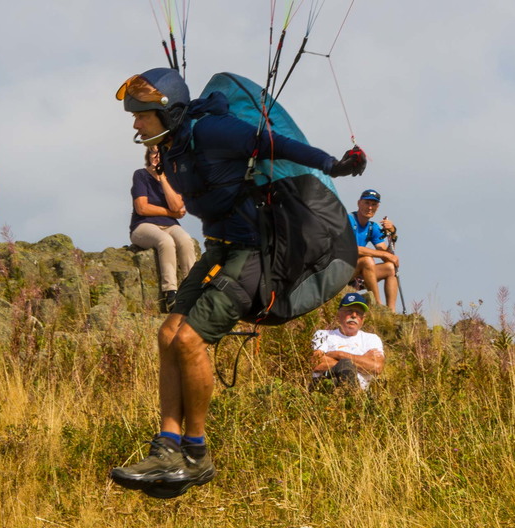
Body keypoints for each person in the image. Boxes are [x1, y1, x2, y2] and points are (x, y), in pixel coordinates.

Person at [109, 67, 366, 498]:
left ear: (166, 110)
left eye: (140, 115)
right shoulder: (172, 149)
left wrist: (331, 164)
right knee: (168, 334)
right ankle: (166, 447)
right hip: (218, 249)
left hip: (252, 253)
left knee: (189, 340)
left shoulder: (213, 131)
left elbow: (272, 143)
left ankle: (196, 454)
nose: (134, 123)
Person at [130, 146, 196, 313]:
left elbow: (177, 206)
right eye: (153, 152)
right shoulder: (141, 175)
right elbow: (142, 208)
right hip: (143, 225)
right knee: (165, 242)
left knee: (186, 241)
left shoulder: (176, 179)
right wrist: (172, 212)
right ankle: (170, 293)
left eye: (161, 153)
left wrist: (163, 178)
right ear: (149, 155)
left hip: (170, 225)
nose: (157, 156)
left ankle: (193, 290)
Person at [310, 292, 385, 390]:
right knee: (344, 365)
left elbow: (376, 367)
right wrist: (361, 361)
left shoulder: (371, 339)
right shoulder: (323, 335)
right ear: (339, 314)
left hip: (361, 394)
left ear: (363, 319)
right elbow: (316, 362)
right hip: (325, 388)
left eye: (358, 313)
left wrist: (339, 355)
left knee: (345, 363)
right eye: (349, 311)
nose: (354, 315)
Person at [348, 189, 399, 311]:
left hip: (359, 274)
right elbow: (351, 249)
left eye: (374, 204)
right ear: (359, 203)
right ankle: (377, 305)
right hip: (342, 270)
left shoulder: (372, 227)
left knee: (390, 267)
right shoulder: (348, 220)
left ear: (377, 207)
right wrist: (385, 255)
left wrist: (392, 234)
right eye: (367, 203)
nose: (370, 207)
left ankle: (391, 312)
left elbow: (386, 255)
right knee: (367, 260)